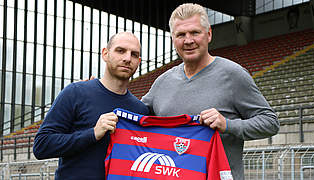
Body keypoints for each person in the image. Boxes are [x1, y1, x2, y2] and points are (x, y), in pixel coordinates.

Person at [141, 3, 279, 180]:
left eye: (195, 32)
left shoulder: (233, 74)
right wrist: (100, 89)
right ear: (173, 39)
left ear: (209, 34)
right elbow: (135, 117)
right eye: (181, 34)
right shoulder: (162, 82)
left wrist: (228, 125)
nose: (188, 40)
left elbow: (270, 123)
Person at [33, 32, 149, 180]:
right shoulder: (75, 93)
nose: (127, 58)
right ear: (105, 54)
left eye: (134, 54)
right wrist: (92, 133)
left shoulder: (140, 111)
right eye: (120, 51)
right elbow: (42, 146)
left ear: (138, 61)